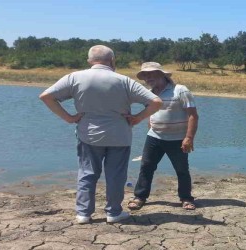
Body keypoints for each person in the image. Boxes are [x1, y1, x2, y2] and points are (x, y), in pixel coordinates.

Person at [39, 45, 163, 224]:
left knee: (87, 173)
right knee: (116, 175)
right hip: (119, 136)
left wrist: (69, 118)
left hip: (88, 134)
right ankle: (113, 212)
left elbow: (46, 96)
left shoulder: (75, 77)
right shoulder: (123, 80)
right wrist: (137, 118)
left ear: (89, 60)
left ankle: (83, 213)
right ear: (112, 61)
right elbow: (156, 101)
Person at [128, 62, 199, 211]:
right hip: (154, 137)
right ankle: (140, 196)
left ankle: (186, 198)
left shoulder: (180, 90)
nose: (147, 78)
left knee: (181, 169)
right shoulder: (149, 94)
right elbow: (150, 114)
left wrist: (189, 137)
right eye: (145, 75)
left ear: (161, 74)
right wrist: (150, 129)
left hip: (178, 139)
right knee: (146, 167)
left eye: (151, 74)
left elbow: (193, 115)